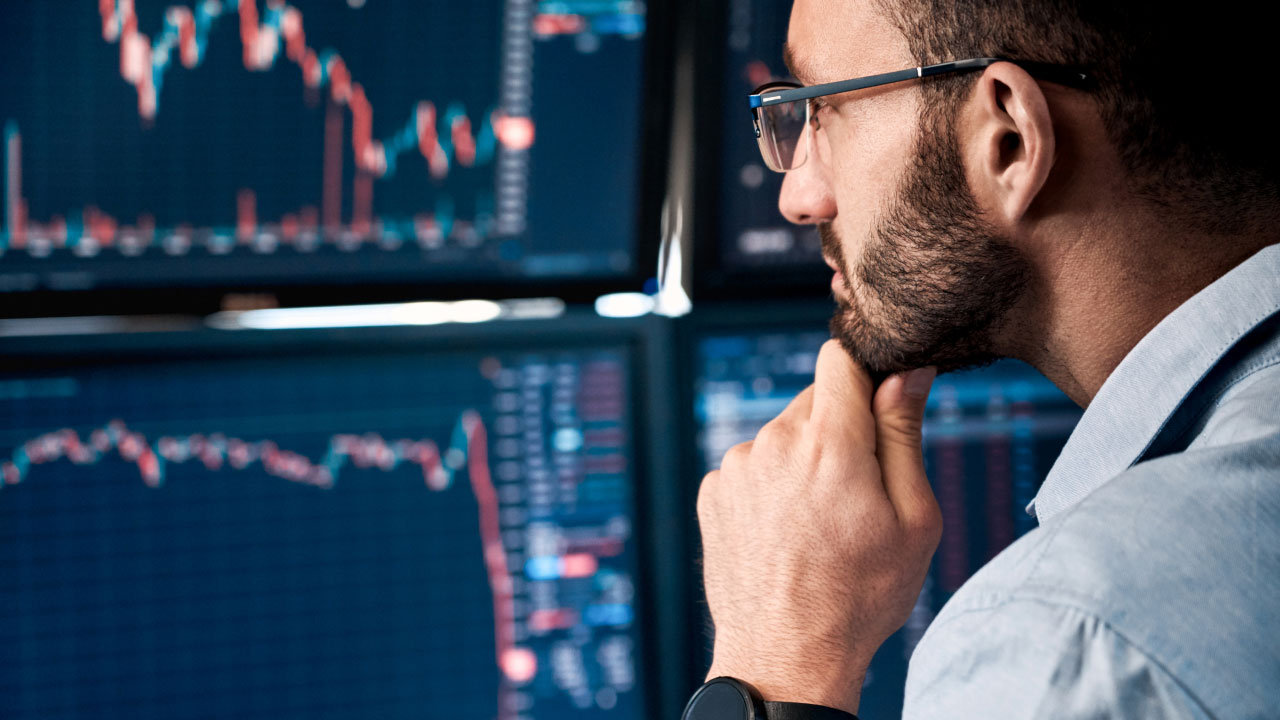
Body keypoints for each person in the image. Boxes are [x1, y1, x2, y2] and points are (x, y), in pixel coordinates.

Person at [688, 1, 1280, 718]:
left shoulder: (1068, 644)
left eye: (818, 110)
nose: (799, 197)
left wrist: (778, 672)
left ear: (1009, 140)